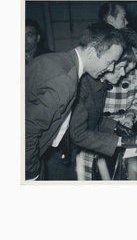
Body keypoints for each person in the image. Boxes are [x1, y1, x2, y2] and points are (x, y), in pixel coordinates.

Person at [25, 25, 126, 180]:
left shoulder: (52, 60)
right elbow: (27, 131)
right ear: (92, 52)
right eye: (110, 62)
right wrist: (32, 174)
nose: (111, 68)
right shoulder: (65, 82)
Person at [70, 29, 137, 180]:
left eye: (132, 67)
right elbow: (84, 129)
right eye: (123, 67)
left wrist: (129, 118)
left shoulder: (133, 75)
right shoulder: (92, 79)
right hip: (94, 141)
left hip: (118, 138)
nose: (125, 73)